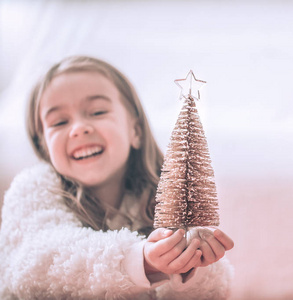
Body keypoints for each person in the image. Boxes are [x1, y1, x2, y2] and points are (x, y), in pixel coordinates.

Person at [0, 56, 234, 299]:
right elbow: (40, 263)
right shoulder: (32, 191)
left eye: (97, 112)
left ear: (135, 131)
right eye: (59, 122)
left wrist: (189, 269)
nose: (78, 128)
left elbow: (214, 292)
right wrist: (138, 260)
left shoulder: (166, 202)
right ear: (44, 147)